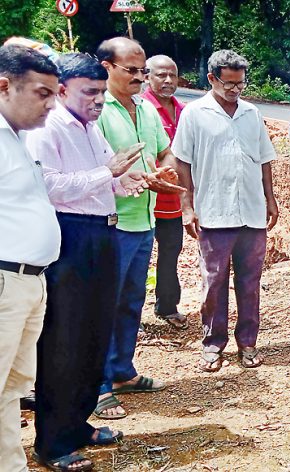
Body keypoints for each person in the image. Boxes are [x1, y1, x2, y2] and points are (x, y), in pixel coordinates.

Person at [25, 52, 153, 472]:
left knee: (94, 334)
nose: (98, 101)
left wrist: (123, 180)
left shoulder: (90, 127)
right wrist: (107, 174)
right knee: (64, 341)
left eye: (101, 92)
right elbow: (48, 186)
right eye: (90, 93)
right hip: (70, 238)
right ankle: (52, 442)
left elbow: (101, 175)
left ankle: (77, 423)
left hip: (102, 233)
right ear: (62, 90)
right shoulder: (48, 128)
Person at [94, 37, 181, 420]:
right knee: (102, 307)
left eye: (142, 70)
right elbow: (98, 164)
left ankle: (121, 372)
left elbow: (166, 148)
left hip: (144, 220)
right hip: (110, 224)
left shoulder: (144, 108)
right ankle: (96, 385)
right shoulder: (96, 112)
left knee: (132, 302)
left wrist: (164, 169)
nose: (140, 78)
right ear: (106, 67)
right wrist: (135, 176)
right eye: (131, 70)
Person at [174, 50, 277, 371]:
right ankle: (212, 344)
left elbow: (264, 158)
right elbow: (182, 162)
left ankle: (247, 343)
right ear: (212, 79)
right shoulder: (194, 114)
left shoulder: (250, 113)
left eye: (240, 84)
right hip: (214, 212)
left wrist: (270, 198)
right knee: (214, 281)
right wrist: (187, 206)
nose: (235, 90)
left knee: (249, 281)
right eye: (228, 83)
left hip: (251, 211)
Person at [0, 44, 61, 472]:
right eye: (42, 93)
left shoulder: (17, 137)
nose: (51, 104)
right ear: (4, 87)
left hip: (29, 282)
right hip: (5, 281)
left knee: (12, 388)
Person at [141, 54, 187, 330]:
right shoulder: (142, 108)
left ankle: (167, 306)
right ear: (147, 76)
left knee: (171, 251)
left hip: (174, 198)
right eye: (161, 75)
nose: (168, 80)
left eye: (172, 74)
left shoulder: (184, 110)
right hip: (143, 196)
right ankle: (131, 316)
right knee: (139, 257)